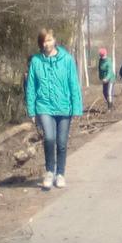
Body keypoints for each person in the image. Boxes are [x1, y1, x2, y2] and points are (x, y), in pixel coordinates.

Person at [25, 28, 82, 190]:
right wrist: (31, 110)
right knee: (49, 138)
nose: (46, 44)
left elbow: (73, 85)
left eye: (49, 40)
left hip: (64, 107)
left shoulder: (67, 60)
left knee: (62, 142)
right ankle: (49, 171)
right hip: (44, 106)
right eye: (43, 41)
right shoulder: (36, 61)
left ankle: (60, 174)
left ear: (54, 40)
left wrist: (77, 108)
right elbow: (31, 87)